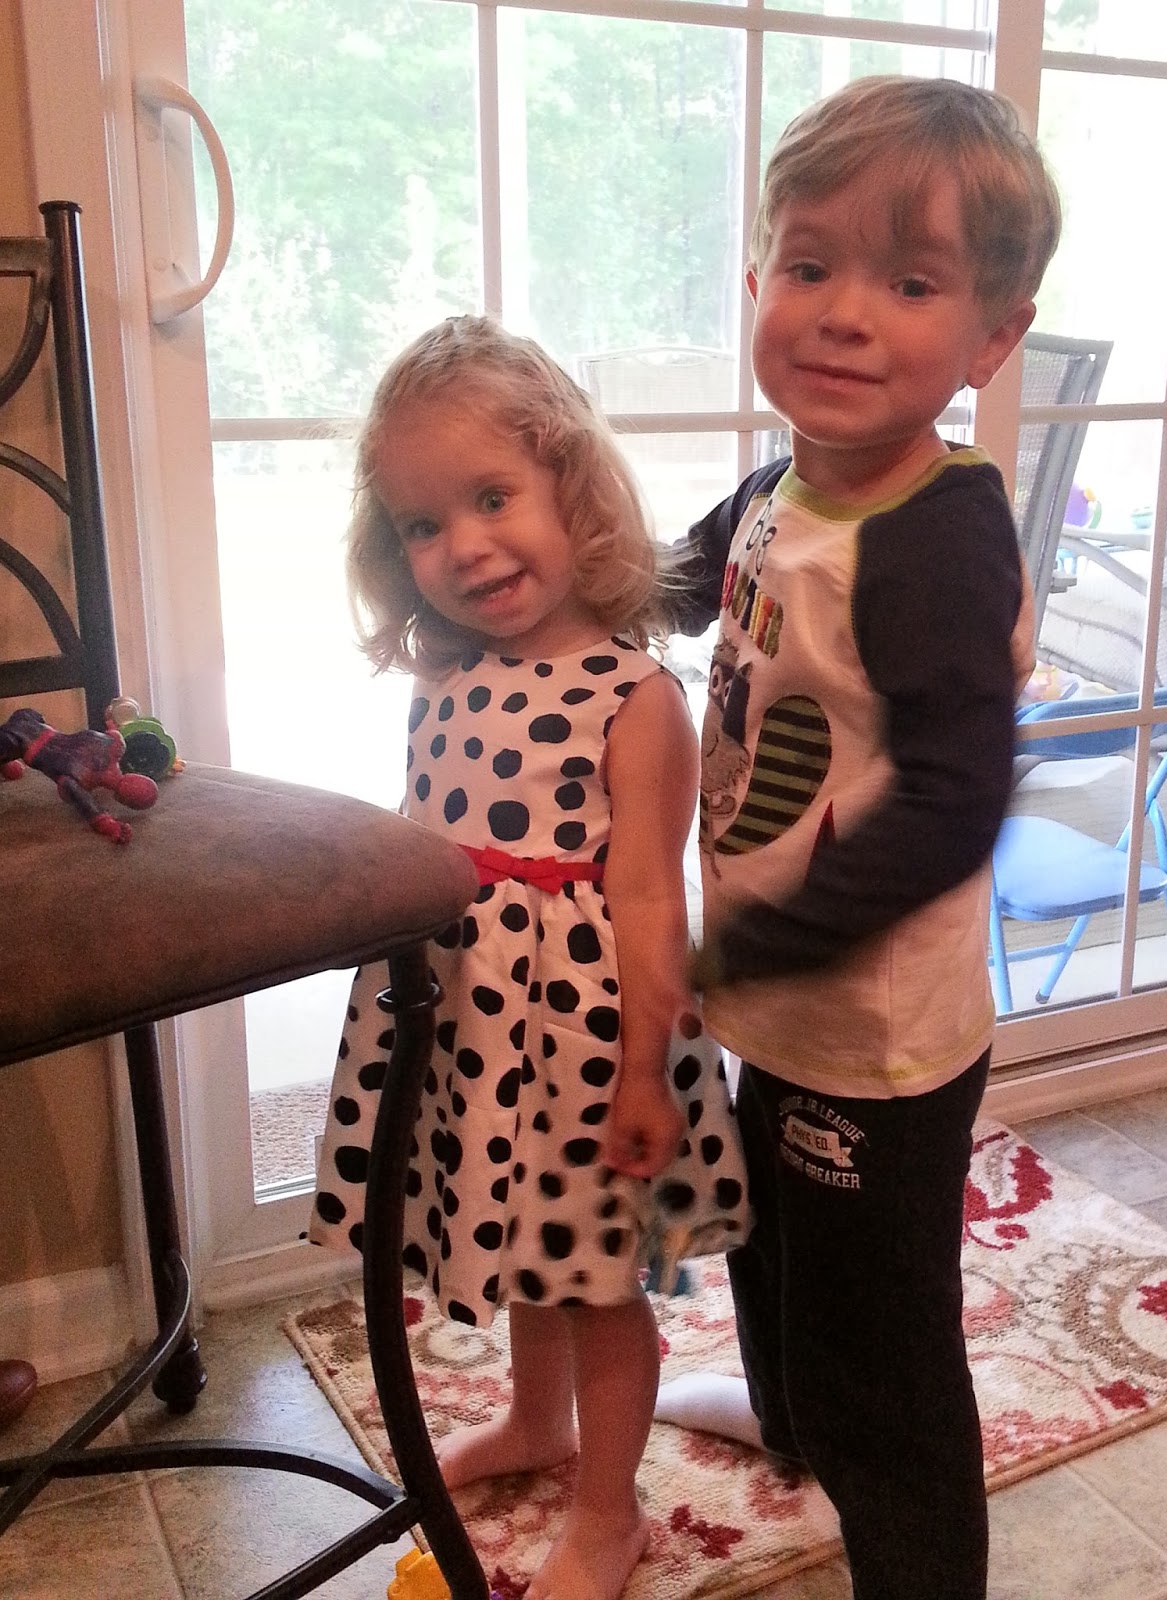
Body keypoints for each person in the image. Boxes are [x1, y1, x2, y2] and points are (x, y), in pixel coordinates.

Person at [652, 76, 1061, 1600]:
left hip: (875, 1045)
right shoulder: (781, 489)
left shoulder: (935, 538)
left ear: (993, 336)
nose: (842, 315)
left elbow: (956, 799)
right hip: (779, 1001)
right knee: (767, 1245)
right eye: (810, 265)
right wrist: (562, 581)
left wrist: (759, 937)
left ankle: (903, 1542)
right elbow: (677, 580)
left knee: (883, 1361)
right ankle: (785, 1420)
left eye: (910, 284)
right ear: (758, 277)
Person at [309, 315, 749, 1600]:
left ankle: (610, 1511)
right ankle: (536, 1420)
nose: (464, 545)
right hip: (468, 1023)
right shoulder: (443, 674)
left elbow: (651, 905)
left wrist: (644, 1074)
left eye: (493, 497)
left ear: (574, 489)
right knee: (516, 1240)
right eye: (424, 523)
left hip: (587, 1039)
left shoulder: (635, 697)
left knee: (600, 1279)